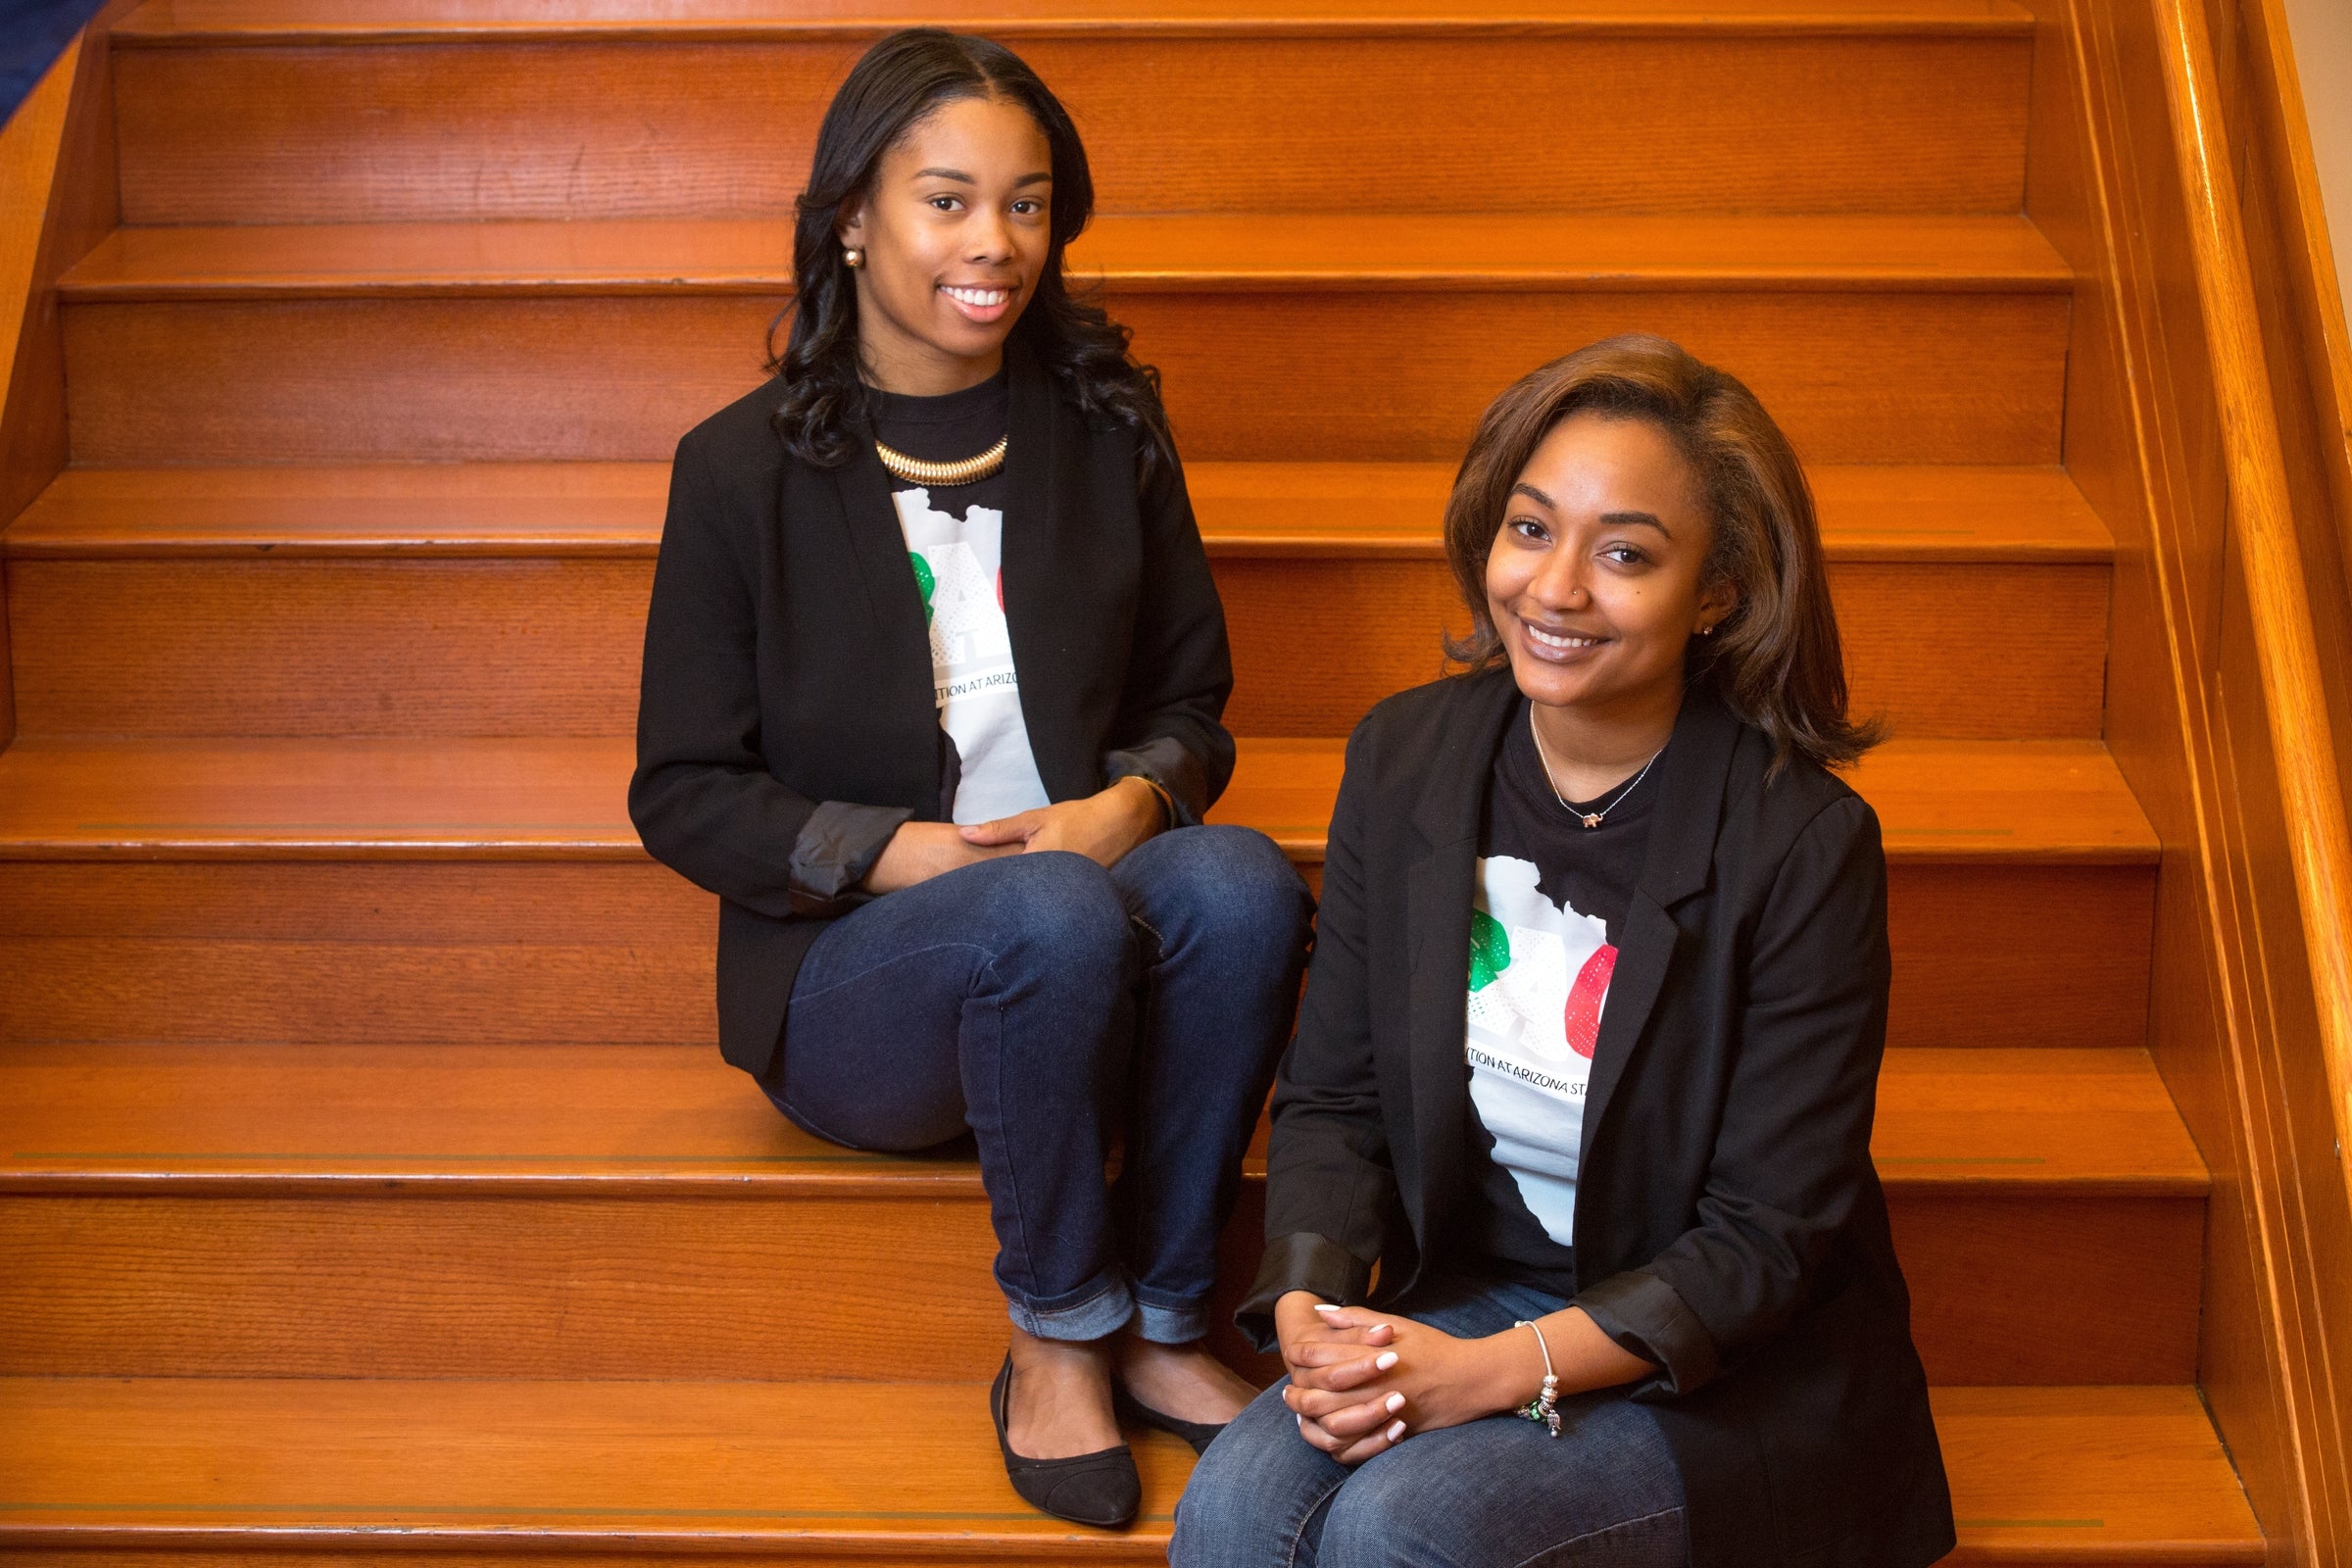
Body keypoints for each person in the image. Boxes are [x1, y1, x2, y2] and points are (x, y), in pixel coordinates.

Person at [628, 27, 1312, 1531]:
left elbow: (1191, 704)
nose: (993, 242)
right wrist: (893, 855)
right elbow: (681, 785)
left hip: (1087, 932)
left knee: (1245, 881)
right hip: (864, 992)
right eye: (947, 200)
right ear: (853, 217)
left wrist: (1131, 803)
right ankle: (1055, 1330)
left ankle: (1164, 1316)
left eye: (1027, 201)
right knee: (1046, 915)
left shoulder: (1110, 428)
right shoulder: (737, 472)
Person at [1171, 335, 1955, 1567]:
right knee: (1231, 1503)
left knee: (1397, 1532)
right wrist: (1316, 1306)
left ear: (1720, 596)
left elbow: (1764, 1241)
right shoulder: (1407, 757)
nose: (1555, 588)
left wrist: (1486, 1374)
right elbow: (1340, 1095)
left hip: (1712, 1372)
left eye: (1626, 553)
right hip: (1472, 1291)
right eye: (1531, 530)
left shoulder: (1802, 843)